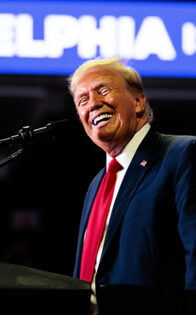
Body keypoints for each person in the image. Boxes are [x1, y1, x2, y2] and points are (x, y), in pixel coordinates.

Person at [68, 57, 196, 314]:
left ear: (138, 101)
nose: (93, 103)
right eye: (82, 100)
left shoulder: (182, 154)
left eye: (103, 90)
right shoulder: (97, 184)